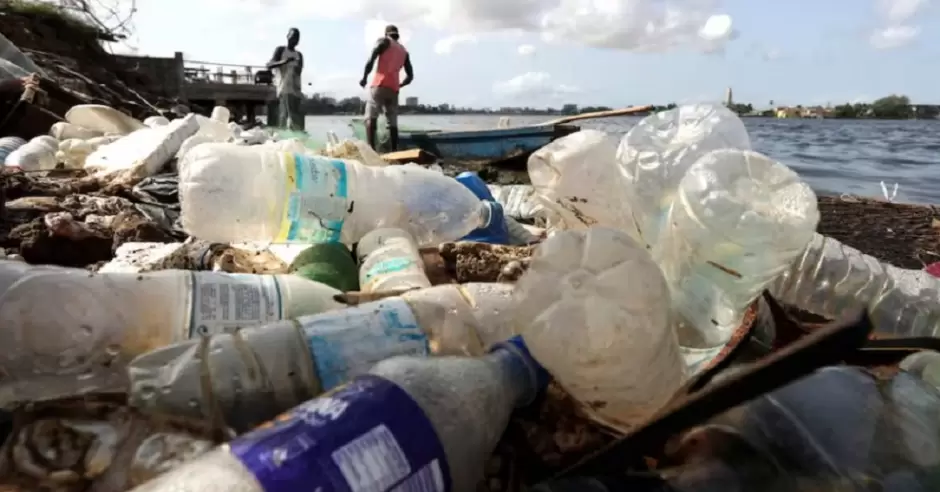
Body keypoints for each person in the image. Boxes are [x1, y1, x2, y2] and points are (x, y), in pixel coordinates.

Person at [359, 24, 413, 151]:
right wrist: (400, 84)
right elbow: (410, 76)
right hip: (393, 89)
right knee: (392, 122)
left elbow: (371, 59)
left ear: (386, 34)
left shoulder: (384, 41)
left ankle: (371, 150)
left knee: (371, 117)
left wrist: (364, 77)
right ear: (397, 35)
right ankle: (394, 151)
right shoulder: (404, 51)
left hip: (379, 85)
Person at [267, 27, 304, 131]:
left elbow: (299, 73)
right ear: (287, 36)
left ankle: (295, 135)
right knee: (284, 114)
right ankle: (282, 134)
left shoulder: (299, 55)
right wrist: (284, 62)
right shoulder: (280, 50)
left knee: (295, 116)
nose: (294, 40)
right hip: (283, 88)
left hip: (295, 90)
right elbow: (269, 65)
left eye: (297, 38)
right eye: (292, 36)